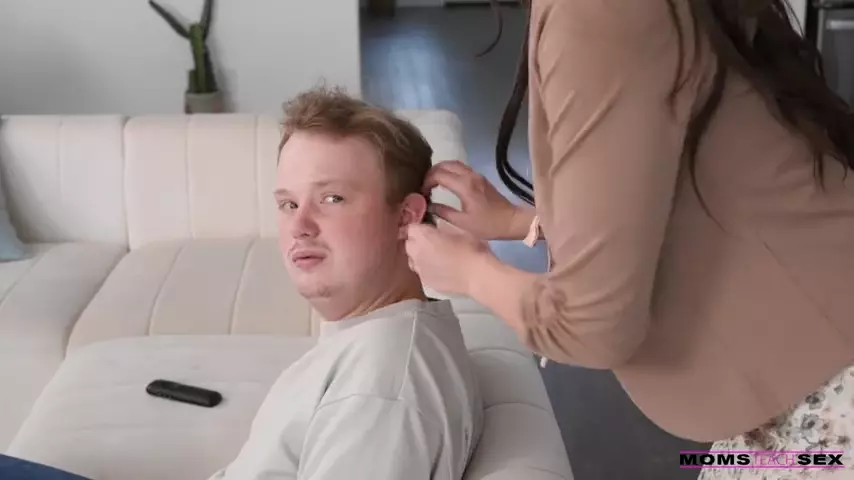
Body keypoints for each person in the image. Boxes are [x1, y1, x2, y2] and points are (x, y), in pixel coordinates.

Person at [404, 0, 854, 478]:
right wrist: (521, 222)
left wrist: (471, 272)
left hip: (827, 390)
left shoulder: (597, 13)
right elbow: (681, 184)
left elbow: (590, 325)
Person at [210, 87, 483, 480]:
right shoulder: (376, 341)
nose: (299, 226)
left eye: (332, 198)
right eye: (289, 204)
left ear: (406, 216)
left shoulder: (380, 390)